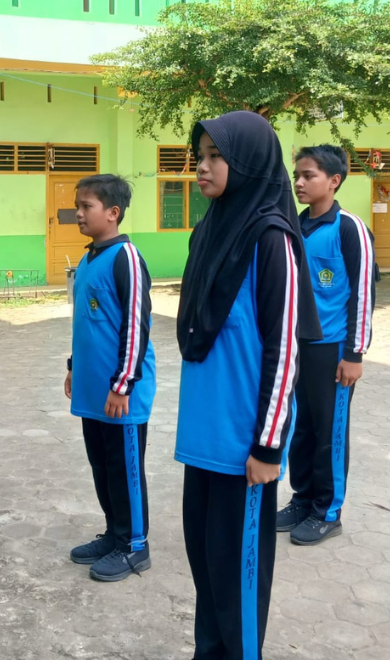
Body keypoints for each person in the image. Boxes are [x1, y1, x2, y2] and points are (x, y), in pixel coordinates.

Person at [175, 112, 322, 660]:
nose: (202, 167)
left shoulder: (270, 240)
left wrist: (267, 446)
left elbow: (285, 352)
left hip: (244, 449)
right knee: (206, 569)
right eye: (200, 156)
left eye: (216, 156)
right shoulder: (209, 230)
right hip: (202, 440)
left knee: (237, 578)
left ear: (250, 161)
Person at [277, 145, 377, 545]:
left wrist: (354, 354)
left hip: (332, 349)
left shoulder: (350, 228)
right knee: (300, 427)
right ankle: (303, 499)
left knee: (329, 431)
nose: (299, 183)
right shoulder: (296, 226)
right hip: (297, 347)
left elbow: (363, 295)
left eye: (309, 176)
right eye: (296, 175)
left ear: (334, 181)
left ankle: (328, 511)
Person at [65, 174, 157, 582]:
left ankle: (135, 545)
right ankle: (115, 533)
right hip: (92, 389)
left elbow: (137, 326)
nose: (78, 213)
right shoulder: (88, 259)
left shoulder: (128, 259)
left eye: (87, 207)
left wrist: (123, 384)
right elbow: (85, 322)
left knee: (125, 469)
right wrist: (72, 365)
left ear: (113, 213)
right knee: (102, 466)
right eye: (79, 206)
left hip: (121, 393)